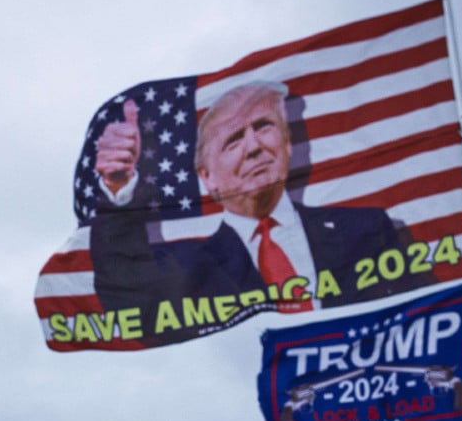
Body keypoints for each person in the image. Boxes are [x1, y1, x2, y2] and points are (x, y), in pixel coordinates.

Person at [90, 80, 420, 316]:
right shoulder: (193, 266)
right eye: (233, 141)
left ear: (288, 144)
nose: (254, 147)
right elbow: (125, 290)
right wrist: (119, 191)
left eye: (263, 127)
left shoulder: (369, 230)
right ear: (207, 178)